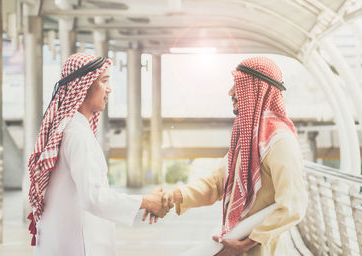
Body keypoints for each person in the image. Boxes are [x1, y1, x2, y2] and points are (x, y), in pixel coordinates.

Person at [145, 56, 308, 255]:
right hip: (235, 246)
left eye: (239, 85)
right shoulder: (248, 138)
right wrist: (172, 197)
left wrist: (245, 244)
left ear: (257, 90)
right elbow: (216, 183)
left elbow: (294, 205)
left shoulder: (279, 141)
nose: (231, 92)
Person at [27, 53, 170, 256]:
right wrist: (146, 202)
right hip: (77, 247)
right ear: (83, 86)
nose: (109, 89)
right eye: (104, 81)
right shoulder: (77, 135)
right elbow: (95, 198)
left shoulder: (70, 130)